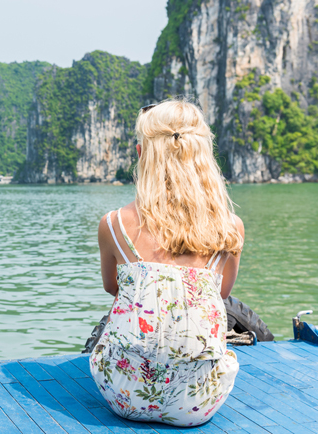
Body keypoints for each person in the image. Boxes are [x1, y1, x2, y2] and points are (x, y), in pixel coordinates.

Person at [89, 98, 243, 427]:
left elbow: (113, 289)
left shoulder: (113, 224)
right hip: (198, 405)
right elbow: (222, 294)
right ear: (202, 154)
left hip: (123, 395)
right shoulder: (230, 228)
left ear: (142, 153)